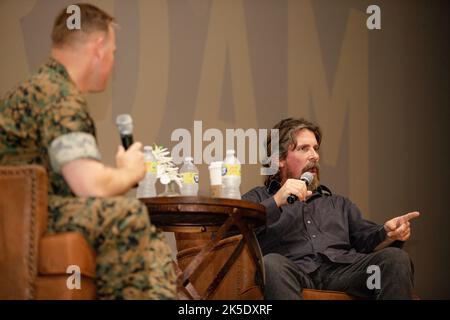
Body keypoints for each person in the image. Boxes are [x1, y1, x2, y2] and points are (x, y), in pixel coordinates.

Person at [0, 4, 176, 299]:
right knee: (128, 215)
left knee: (137, 233)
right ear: (98, 48)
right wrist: (129, 171)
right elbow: (89, 185)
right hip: (28, 218)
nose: (112, 60)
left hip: (22, 217)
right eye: (113, 52)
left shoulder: (34, 88)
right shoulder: (59, 96)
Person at [243, 118, 419, 299]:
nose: (315, 156)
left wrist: (388, 233)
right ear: (279, 159)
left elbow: (366, 239)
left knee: (395, 258)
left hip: (343, 273)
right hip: (294, 272)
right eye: (304, 148)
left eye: (316, 148)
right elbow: (232, 230)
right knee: (271, 264)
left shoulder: (338, 204)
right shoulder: (259, 199)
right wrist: (277, 201)